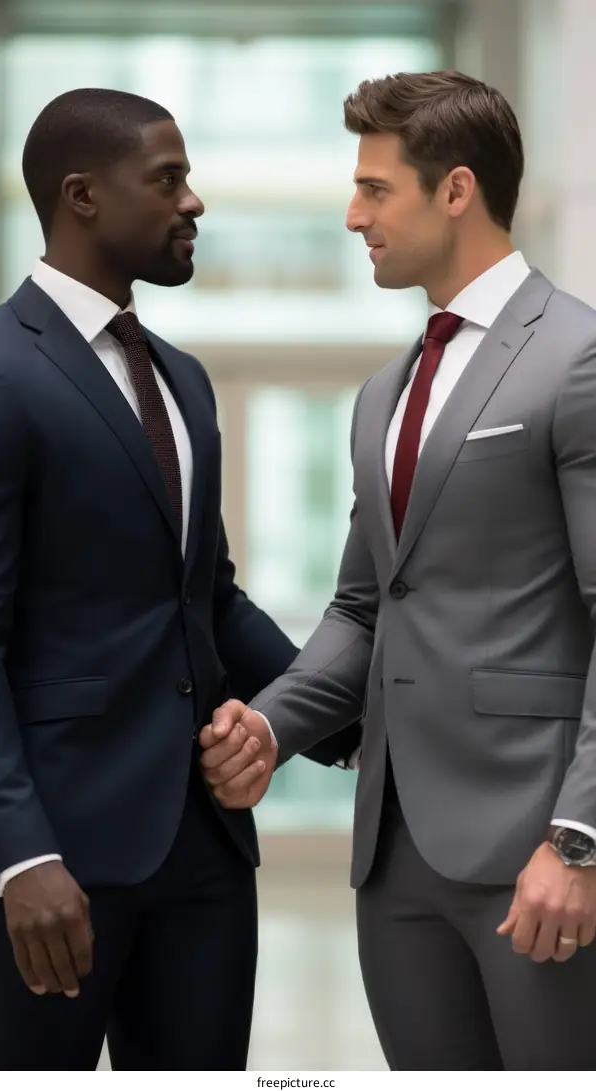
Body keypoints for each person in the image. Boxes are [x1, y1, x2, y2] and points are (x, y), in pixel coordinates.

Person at [198, 70, 596, 1071]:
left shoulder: (579, 356)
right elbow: (365, 606)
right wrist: (275, 724)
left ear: (455, 190)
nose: (353, 214)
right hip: (394, 856)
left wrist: (581, 837)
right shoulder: (386, 393)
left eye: (377, 188)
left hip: (538, 845)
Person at [0, 87, 359, 1072]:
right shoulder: (2, 368)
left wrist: (341, 718)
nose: (193, 202)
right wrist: (18, 853)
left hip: (207, 853)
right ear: (81, 196)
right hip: (55, 861)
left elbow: (209, 597)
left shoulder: (184, 380)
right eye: (168, 180)